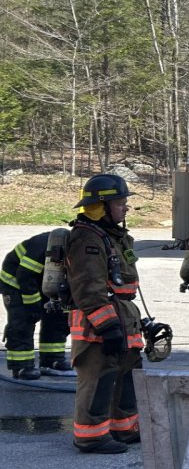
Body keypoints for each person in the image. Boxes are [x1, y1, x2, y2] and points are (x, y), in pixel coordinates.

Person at [67, 174, 142, 454]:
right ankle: (91, 436)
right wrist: (107, 326)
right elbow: (88, 288)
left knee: (126, 377)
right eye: (120, 203)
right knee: (98, 379)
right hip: (98, 324)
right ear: (102, 206)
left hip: (123, 318)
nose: (125, 208)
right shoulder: (87, 238)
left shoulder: (115, 238)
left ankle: (123, 430)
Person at [2, 232, 73, 379]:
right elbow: (25, 275)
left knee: (57, 317)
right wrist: (32, 304)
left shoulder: (77, 247)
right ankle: (21, 366)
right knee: (23, 321)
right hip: (15, 282)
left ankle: (52, 359)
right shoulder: (42, 245)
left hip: (43, 283)